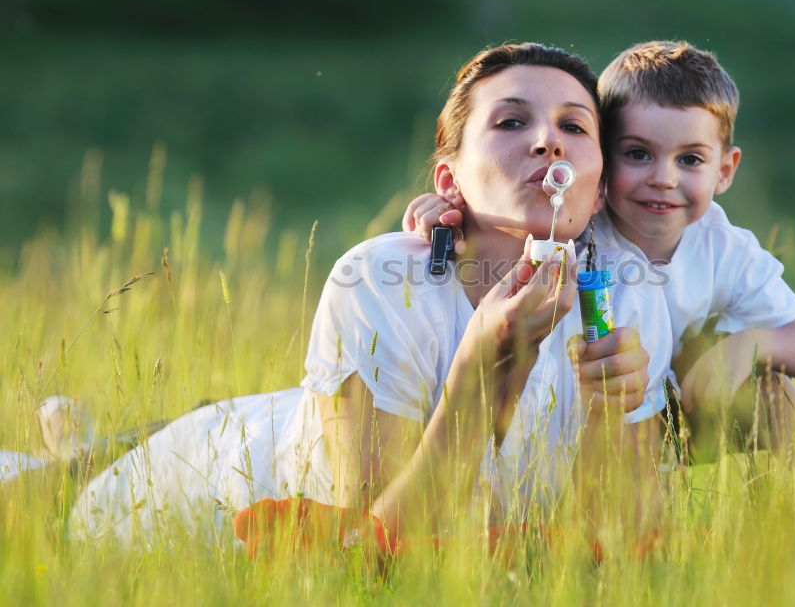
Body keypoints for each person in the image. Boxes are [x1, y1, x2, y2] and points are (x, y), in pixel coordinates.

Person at [70, 43, 674, 553]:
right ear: (449, 180)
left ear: (597, 194)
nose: (548, 141)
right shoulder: (381, 279)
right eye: (511, 122)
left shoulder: (628, 293)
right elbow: (379, 549)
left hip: (306, 413)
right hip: (196, 488)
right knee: (44, 492)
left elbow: (613, 548)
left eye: (575, 126)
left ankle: (79, 444)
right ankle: (75, 455)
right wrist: (480, 368)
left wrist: (605, 413)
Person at [404, 40, 795, 505]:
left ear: (725, 170)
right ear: (600, 164)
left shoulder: (722, 247)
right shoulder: (580, 226)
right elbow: (508, 224)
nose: (663, 178)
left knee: (772, 391)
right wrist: (446, 209)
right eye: (638, 154)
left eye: (690, 159)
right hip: (586, 419)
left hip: (685, 405)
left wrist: (744, 350)